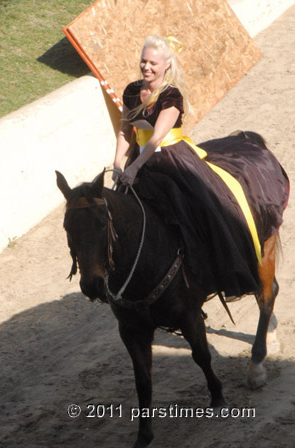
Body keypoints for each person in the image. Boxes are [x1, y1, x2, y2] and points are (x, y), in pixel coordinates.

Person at [112, 35, 289, 298]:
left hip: (171, 160)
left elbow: (157, 139)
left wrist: (135, 167)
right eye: (143, 61)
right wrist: (117, 164)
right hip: (136, 161)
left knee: (208, 207)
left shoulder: (171, 96)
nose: (146, 67)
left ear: (166, 66)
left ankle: (218, 270)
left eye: (153, 63)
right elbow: (126, 131)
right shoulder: (131, 91)